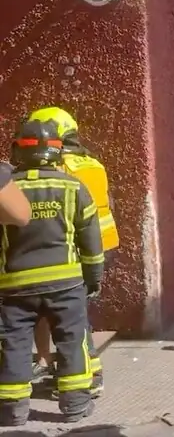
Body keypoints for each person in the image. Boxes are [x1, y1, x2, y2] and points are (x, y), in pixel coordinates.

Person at [0, 120, 104, 426]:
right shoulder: (73, 188)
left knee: (14, 344)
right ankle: (74, 405)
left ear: (19, 149)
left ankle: (12, 409)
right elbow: (91, 242)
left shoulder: (7, 190)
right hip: (66, 285)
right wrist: (93, 278)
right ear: (57, 152)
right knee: (73, 340)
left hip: (14, 287)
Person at [26, 106, 116, 397]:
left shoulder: (60, 167)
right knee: (74, 313)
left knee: (70, 317)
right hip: (103, 245)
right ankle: (69, 368)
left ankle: (88, 376)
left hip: (75, 249)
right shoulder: (92, 163)